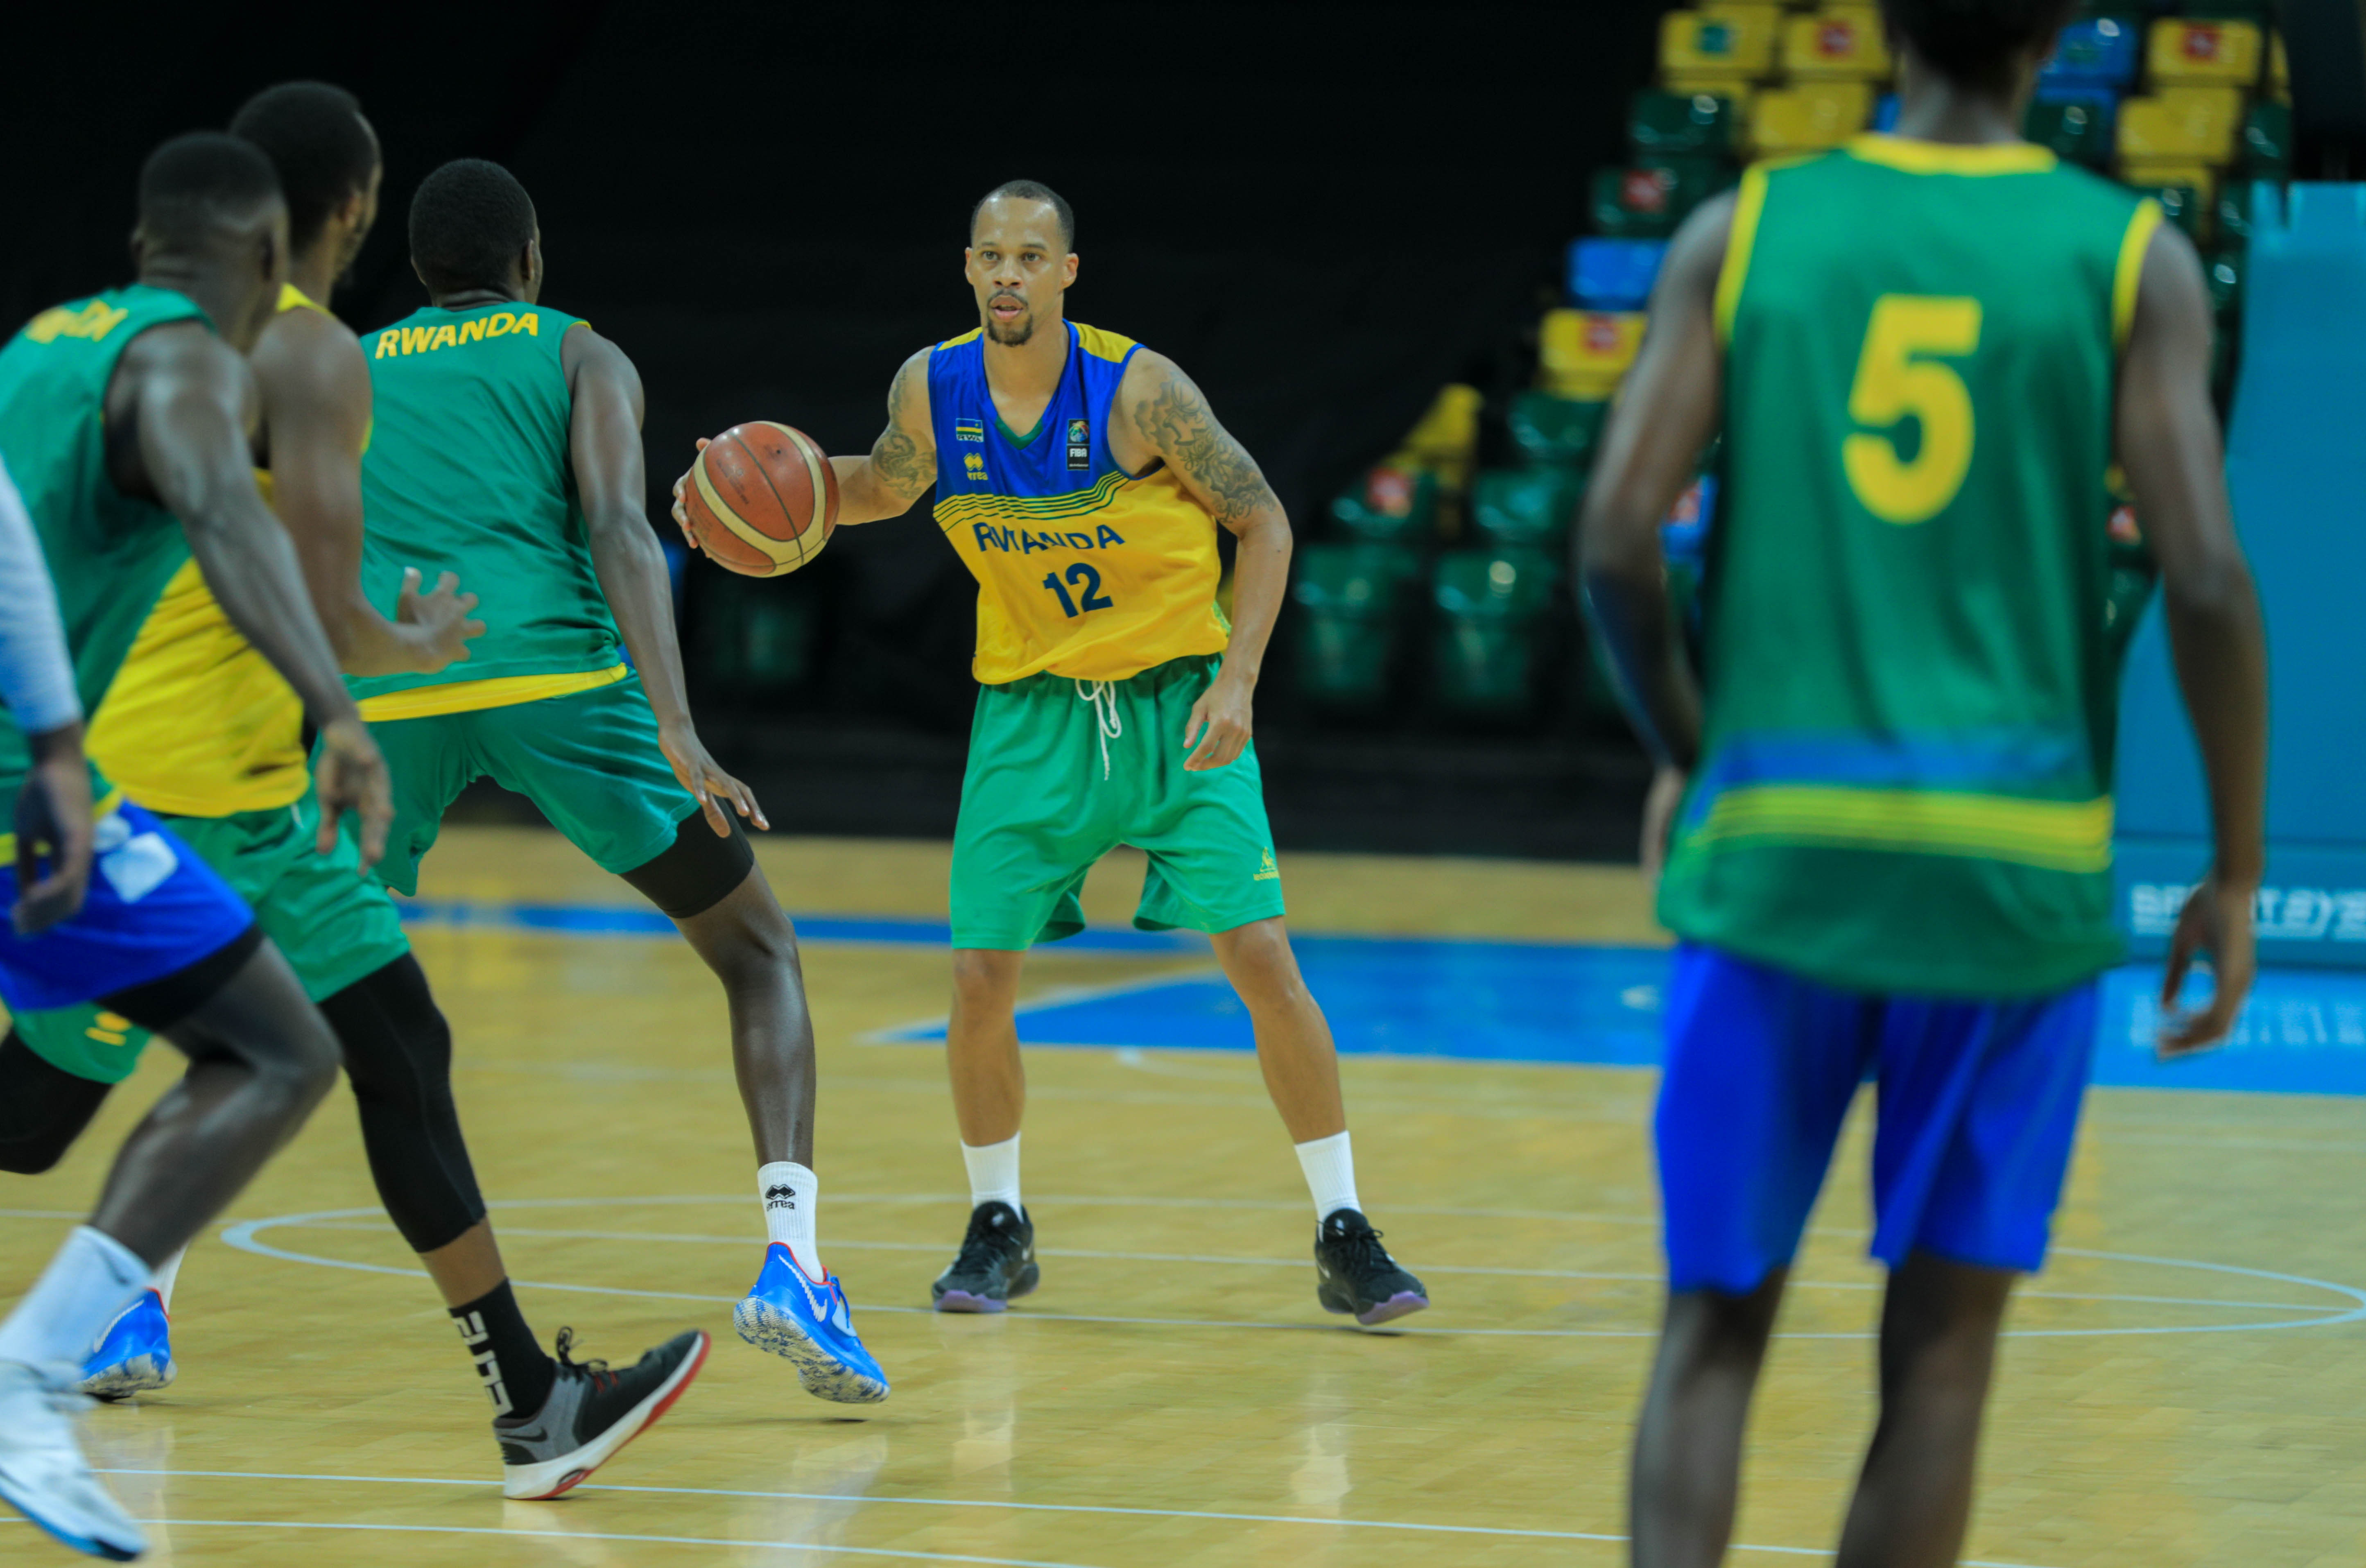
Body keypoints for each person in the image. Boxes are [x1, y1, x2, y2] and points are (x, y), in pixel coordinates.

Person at [1577, 1, 2271, 1562]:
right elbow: (2207, 580)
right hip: (2009, 875)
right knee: (1943, 1359)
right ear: (2055, 30)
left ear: (1881, 23)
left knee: (1711, 1333)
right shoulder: (2127, 258)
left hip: (1781, 850)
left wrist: (1692, 753)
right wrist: (2231, 869)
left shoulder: (1745, 231)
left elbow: (1616, 535)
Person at [0, 83, 710, 1504]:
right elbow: (314, 602)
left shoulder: (54, 339)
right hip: (187, 793)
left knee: (390, 1048)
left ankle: (533, 1404)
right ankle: (42, 1370)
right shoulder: (306, 350)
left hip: (203, 792)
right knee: (61, 1111)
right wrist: (382, 669)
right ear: (350, 209)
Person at [679, 181, 1429, 1325]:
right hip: (1031, 715)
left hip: (1177, 703)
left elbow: (1263, 517)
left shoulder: (1143, 392)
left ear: (1067, 273)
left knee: (1262, 958)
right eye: (991, 255)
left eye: (1030, 256)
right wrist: (740, 494)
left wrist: (1238, 678)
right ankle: (999, 1223)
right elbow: (882, 485)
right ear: (968, 268)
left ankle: (1344, 1228)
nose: (1008, 274)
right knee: (980, 977)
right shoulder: (930, 389)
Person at [350, 157, 885, 1403]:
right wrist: (678, 726)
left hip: (394, 688)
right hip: (560, 686)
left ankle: (136, 1299)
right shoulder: (580, 352)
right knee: (757, 954)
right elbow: (616, 526)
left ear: (417, 269)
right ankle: (795, 1266)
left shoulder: (352, 367)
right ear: (531, 259)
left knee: (273, 994)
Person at [0, 131, 385, 1564]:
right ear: (273, 261)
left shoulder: (42, 343)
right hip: (23, 789)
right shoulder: (190, 367)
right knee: (278, 1054)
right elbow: (227, 514)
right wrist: (336, 711)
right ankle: (28, 1378)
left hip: (48, 768)